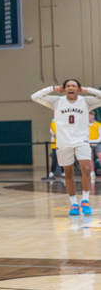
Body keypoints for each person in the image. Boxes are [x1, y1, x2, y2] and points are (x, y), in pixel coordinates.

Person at [33, 80, 101, 215]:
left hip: (81, 141)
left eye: (74, 86)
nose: (71, 88)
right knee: (68, 174)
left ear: (78, 89)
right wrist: (52, 88)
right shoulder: (56, 101)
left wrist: (87, 90)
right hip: (64, 143)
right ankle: (74, 203)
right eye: (68, 86)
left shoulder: (86, 101)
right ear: (63, 89)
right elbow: (34, 97)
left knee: (86, 170)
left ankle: (85, 201)